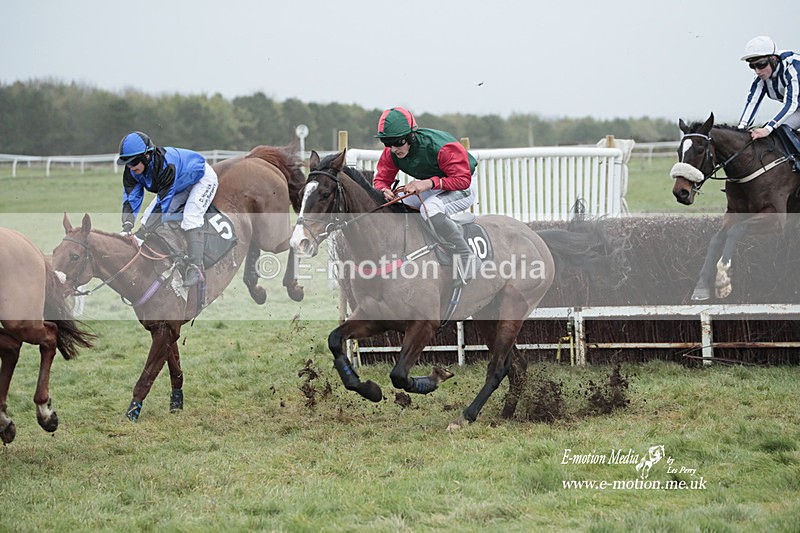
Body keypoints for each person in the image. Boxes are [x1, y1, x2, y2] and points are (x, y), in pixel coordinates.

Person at [373, 106, 480, 284]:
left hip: (463, 186)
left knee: (429, 208)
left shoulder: (441, 147)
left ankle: (466, 254)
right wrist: (384, 189)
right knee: (397, 205)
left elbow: (462, 180)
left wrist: (428, 183)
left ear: (411, 136)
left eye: (397, 142)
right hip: (435, 184)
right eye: (387, 143)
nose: (393, 149)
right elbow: (381, 179)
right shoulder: (392, 152)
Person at [117, 131, 218, 287]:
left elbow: (162, 205)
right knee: (145, 219)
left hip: (201, 179)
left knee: (190, 218)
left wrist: (141, 234)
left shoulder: (166, 165)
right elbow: (131, 197)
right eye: (127, 163)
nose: (130, 167)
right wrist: (128, 226)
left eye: (134, 162)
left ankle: (195, 268)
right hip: (179, 183)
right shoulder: (132, 171)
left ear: (147, 156)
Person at [738, 36, 800, 141]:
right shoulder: (760, 78)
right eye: (752, 66)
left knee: (771, 129)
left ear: (774, 59)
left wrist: (768, 128)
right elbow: (753, 102)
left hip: (795, 106)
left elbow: (791, 104)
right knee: (777, 132)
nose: (757, 71)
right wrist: (740, 129)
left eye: (761, 65)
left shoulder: (793, 68)